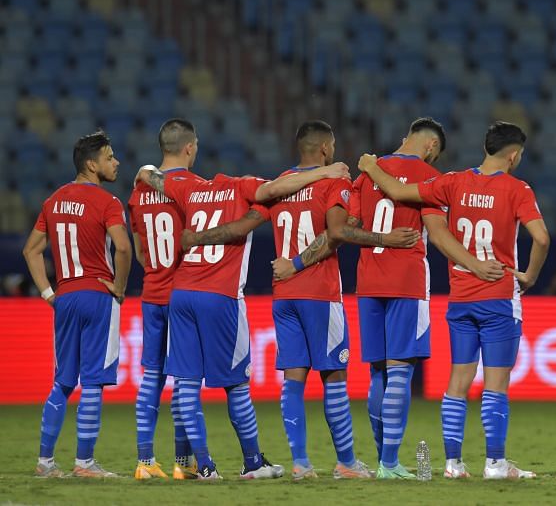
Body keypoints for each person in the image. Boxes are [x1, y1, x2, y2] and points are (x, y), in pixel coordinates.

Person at [183, 120, 419, 480]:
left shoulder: (278, 186)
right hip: (319, 293)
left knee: (293, 378)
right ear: (325, 149)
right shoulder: (333, 181)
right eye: (335, 145)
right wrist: (299, 264)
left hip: (284, 297)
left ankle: (300, 463)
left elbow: (241, 227)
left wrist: (195, 238)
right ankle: (345, 463)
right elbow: (336, 234)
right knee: (334, 376)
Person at [276, 117, 505, 478]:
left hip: (367, 282)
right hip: (407, 282)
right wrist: (475, 265)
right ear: (430, 146)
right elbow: (437, 232)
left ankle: (382, 458)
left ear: (405, 138)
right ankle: (390, 463)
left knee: (377, 373)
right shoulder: (429, 179)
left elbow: (345, 230)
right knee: (400, 372)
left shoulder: (367, 173)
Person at [134, 155, 349, 479]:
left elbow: (153, 177)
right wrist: (326, 172)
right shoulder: (243, 188)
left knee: (187, 385)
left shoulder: (191, 188)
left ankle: (200, 466)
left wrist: (144, 172)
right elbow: (263, 202)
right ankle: (252, 462)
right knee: (236, 385)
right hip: (221, 296)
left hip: (182, 292)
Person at [358, 121, 550, 480]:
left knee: (457, 380)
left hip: (460, 298)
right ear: (514, 155)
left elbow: (399, 194)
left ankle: (452, 464)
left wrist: (370, 167)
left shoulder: (452, 181)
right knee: (495, 383)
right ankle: (494, 464)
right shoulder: (517, 188)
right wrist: (530, 275)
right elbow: (541, 238)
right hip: (497, 295)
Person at [23, 130, 132, 478]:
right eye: (110, 157)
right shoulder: (108, 202)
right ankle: (84, 464)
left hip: (66, 298)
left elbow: (31, 250)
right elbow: (124, 248)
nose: (116, 162)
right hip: (98, 295)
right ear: (91, 164)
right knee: (94, 381)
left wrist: (47, 293)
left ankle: (44, 462)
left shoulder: (53, 201)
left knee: (63, 381)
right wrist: (119, 287)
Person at [127, 119, 204, 479]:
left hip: (151, 292)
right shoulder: (194, 188)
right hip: (183, 294)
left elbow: (140, 248)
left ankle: (144, 462)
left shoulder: (139, 191)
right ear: (189, 147)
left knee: (152, 376)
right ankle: (183, 462)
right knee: (185, 378)